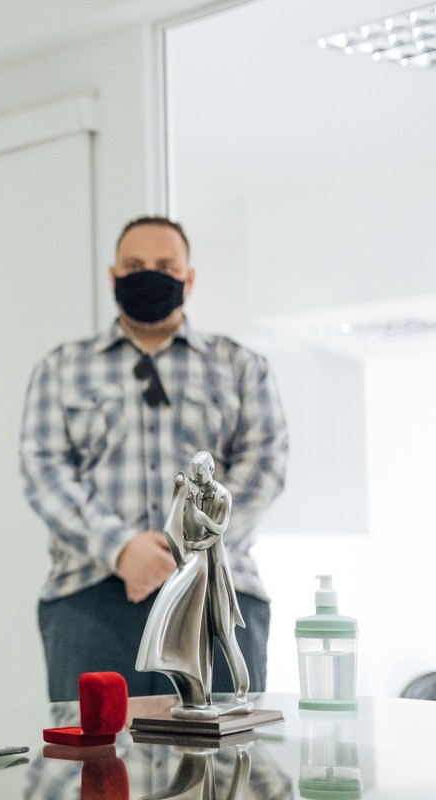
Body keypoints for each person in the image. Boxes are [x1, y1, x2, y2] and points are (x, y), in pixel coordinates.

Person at [19, 215, 287, 702]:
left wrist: (190, 551)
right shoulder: (61, 367)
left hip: (218, 596)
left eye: (165, 265)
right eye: (135, 264)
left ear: (189, 278)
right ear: (113, 275)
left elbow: (264, 466)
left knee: (224, 766)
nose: (150, 274)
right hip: (89, 598)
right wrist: (122, 549)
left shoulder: (241, 366)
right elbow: (45, 472)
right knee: (95, 769)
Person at [136, 451, 252, 717]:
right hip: (198, 565)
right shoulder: (194, 493)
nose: (197, 476)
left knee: (224, 633)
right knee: (196, 631)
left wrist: (200, 523)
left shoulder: (222, 494)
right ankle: (200, 696)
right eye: (194, 472)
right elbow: (179, 527)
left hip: (216, 567)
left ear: (210, 469)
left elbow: (219, 530)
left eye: (200, 472)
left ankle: (241, 693)